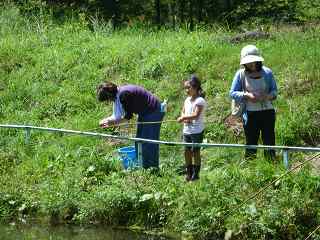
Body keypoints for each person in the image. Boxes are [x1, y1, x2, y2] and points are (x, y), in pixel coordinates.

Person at [97, 82, 165, 169]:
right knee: (138, 141)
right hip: (144, 113)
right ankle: (142, 165)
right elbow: (116, 116)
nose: (108, 102)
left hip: (153, 111)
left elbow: (127, 117)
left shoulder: (124, 95)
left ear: (110, 95)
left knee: (148, 142)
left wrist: (112, 123)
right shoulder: (117, 95)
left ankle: (152, 169)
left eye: (107, 100)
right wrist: (106, 120)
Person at [229, 45, 278, 159]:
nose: (252, 65)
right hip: (250, 113)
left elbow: (275, 91)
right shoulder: (240, 74)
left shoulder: (267, 72)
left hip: (268, 111)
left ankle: (270, 164)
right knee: (251, 140)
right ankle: (250, 165)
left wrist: (267, 96)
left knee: (269, 139)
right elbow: (232, 93)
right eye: (249, 63)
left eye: (254, 62)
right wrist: (247, 95)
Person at [177, 75, 206, 181]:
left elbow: (196, 115)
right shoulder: (187, 100)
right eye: (185, 88)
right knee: (186, 151)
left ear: (195, 87)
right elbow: (183, 111)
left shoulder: (200, 100)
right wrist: (184, 117)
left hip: (196, 131)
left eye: (188, 88)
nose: (187, 90)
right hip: (186, 130)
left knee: (195, 151)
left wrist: (184, 117)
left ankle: (196, 174)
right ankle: (188, 172)